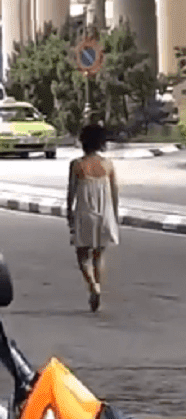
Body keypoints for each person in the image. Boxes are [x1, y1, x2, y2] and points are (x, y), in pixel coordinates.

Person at [67, 123, 119, 312]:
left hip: (84, 213)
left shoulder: (77, 165)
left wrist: (68, 214)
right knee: (98, 256)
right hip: (104, 214)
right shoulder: (108, 165)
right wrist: (114, 215)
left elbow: (71, 193)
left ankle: (93, 286)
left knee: (82, 255)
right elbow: (114, 193)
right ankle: (97, 289)